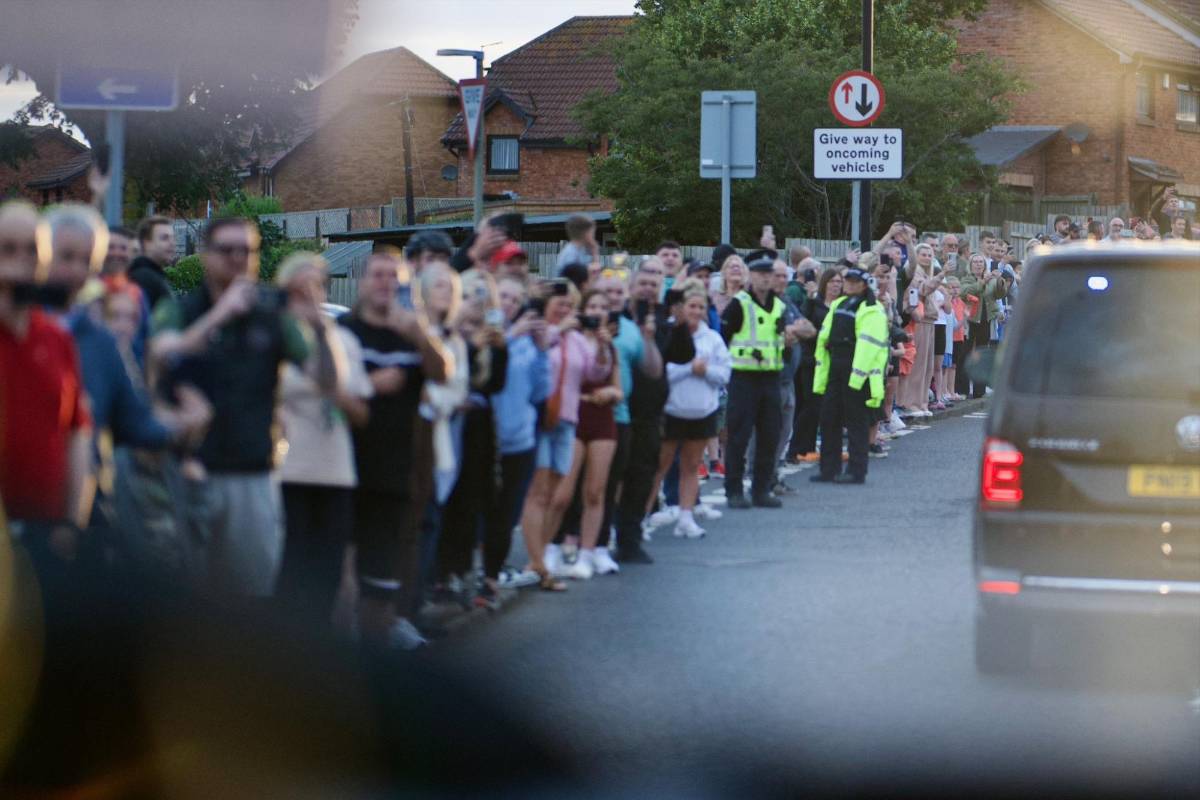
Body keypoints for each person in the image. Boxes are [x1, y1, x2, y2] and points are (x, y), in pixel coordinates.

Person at [150, 217, 330, 598]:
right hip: (189, 469)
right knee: (187, 594)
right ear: (204, 255)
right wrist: (221, 314)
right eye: (226, 250)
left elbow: (324, 381)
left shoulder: (273, 315)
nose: (236, 258)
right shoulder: (182, 308)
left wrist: (319, 326)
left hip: (251, 472)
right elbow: (160, 355)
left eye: (245, 251)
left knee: (251, 595)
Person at [337, 250, 450, 646]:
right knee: (344, 572)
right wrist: (370, 386)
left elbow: (443, 372)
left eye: (393, 277)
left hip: (394, 468)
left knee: (380, 582)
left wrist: (419, 332)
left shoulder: (411, 333)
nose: (385, 282)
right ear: (362, 282)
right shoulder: (345, 330)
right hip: (345, 469)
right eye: (378, 275)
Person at [274, 252, 373, 629]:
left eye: (316, 286)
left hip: (335, 472)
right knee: (290, 569)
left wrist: (321, 333)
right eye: (300, 289)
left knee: (329, 573)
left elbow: (361, 413)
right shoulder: (276, 336)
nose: (309, 296)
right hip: (289, 471)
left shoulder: (342, 340)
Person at [0, 201, 92, 583]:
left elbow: (76, 431)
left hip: (47, 534)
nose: (21, 261)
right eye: (8, 249)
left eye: (32, 250)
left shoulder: (56, 337)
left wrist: (73, 522)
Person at [519, 280, 606, 591]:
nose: (567, 309)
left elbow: (594, 374)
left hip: (568, 419)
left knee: (558, 496)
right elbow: (534, 354)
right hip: (542, 418)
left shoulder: (576, 338)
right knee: (538, 492)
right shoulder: (541, 330)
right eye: (561, 304)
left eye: (571, 305)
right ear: (548, 306)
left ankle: (538, 557)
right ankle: (538, 563)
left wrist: (602, 345)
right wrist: (561, 328)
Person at [613, 258, 694, 564]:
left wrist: (682, 326)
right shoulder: (618, 316)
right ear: (632, 287)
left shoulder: (662, 317)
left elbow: (681, 356)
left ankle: (630, 540)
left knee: (643, 476)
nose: (648, 289)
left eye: (653, 284)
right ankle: (599, 537)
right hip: (619, 409)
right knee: (614, 476)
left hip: (650, 414)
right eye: (643, 283)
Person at [545, 289, 623, 580]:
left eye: (603, 306)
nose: (596, 311)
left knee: (595, 491)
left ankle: (588, 553)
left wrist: (610, 392)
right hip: (573, 415)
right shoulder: (569, 338)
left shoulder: (609, 345)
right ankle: (549, 548)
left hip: (602, 418)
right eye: (592, 305)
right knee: (562, 492)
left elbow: (619, 388)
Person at [720, 251, 802, 509]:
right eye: (760, 274)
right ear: (751, 276)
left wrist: (788, 344)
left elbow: (781, 344)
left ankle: (761, 490)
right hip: (744, 378)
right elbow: (724, 339)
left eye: (769, 274)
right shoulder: (740, 304)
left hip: (771, 378)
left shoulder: (778, 306)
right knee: (739, 436)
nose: (766, 279)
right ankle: (733, 490)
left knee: (769, 435)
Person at [651, 278, 730, 538]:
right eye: (691, 306)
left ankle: (686, 517)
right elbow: (662, 371)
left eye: (700, 307)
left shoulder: (713, 338)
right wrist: (689, 368)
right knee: (660, 466)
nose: (696, 311)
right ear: (681, 308)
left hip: (701, 411)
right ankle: (640, 519)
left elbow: (724, 374)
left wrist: (704, 370)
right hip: (672, 410)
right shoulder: (670, 332)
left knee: (691, 466)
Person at [487, 277, 549, 590]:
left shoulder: (526, 340)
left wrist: (540, 350)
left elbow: (541, 390)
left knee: (509, 511)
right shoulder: (487, 333)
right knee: (486, 508)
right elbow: (486, 370)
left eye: (515, 298)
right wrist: (513, 335)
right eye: (504, 297)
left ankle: (494, 573)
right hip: (488, 436)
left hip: (521, 436)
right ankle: (479, 573)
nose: (509, 303)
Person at [810, 267, 889, 484]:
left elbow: (868, 346)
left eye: (854, 281)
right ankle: (829, 469)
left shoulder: (872, 308)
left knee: (856, 423)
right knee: (829, 419)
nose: (848, 284)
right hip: (835, 364)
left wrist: (857, 376)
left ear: (863, 285)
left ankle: (856, 470)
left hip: (856, 369)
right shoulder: (839, 304)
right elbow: (826, 334)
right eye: (847, 280)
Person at [790, 268, 843, 462]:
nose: (836, 285)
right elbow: (803, 330)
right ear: (824, 284)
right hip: (812, 361)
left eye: (839, 281)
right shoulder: (812, 304)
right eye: (832, 281)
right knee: (810, 405)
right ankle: (795, 449)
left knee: (822, 407)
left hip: (834, 362)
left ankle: (809, 448)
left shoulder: (842, 306)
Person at [957, 253, 1009, 399]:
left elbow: (999, 294)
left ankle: (980, 390)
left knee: (982, 354)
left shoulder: (990, 279)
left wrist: (999, 280)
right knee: (965, 353)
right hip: (970, 320)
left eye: (981, 262)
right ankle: (962, 389)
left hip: (986, 319)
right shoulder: (966, 278)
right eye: (975, 262)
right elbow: (965, 292)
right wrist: (981, 282)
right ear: (971, 264)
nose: (979, 264)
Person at [128, 215, 175, 313]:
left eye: (172, 238)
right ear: (146, 243)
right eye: (164, 238)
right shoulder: (143, 278)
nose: (172, 243)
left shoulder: (154, 275)